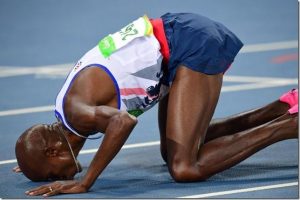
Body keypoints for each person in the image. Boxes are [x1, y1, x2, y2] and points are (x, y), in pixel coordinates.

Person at [14, 13, 298, 197]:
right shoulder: (65, 113)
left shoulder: (76, 114)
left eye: (53, 172)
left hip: (189, 46)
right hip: (177, 42)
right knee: (172, 151)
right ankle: (284, 107)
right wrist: (34, 160)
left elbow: (123, 122)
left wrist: (86, 181)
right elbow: (44, 147)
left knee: (185, 167)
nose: (61, 177)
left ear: (54, 150)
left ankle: (290, 126)